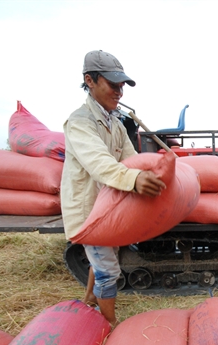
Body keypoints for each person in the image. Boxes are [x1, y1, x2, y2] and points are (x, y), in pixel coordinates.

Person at [60, 50, 166, 327]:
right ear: (90, 80)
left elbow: (130, 159)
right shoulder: (80, 122)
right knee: (108, 270)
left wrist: (150, 171)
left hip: (107, 206)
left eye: (121, 86)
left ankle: (88, 302)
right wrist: (133, 180)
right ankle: (108, 326)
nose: (119, 92)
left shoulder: (114, 123)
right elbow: (99, 163)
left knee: (106, 255)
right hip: (90, 209)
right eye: (113, 84)